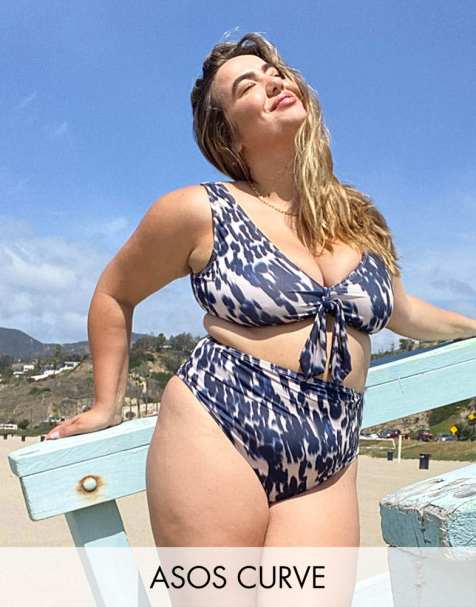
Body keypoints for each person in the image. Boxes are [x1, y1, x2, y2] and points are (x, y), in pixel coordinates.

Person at [45, 33, 476, 550]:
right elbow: (114, 294)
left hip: (332, 444)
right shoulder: (198, 210)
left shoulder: (359, 218)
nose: (272, 84)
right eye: (247, 86)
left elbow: (402, 311)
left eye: (276, 74)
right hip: (220, 422)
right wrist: (105, 405)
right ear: (229, 137)